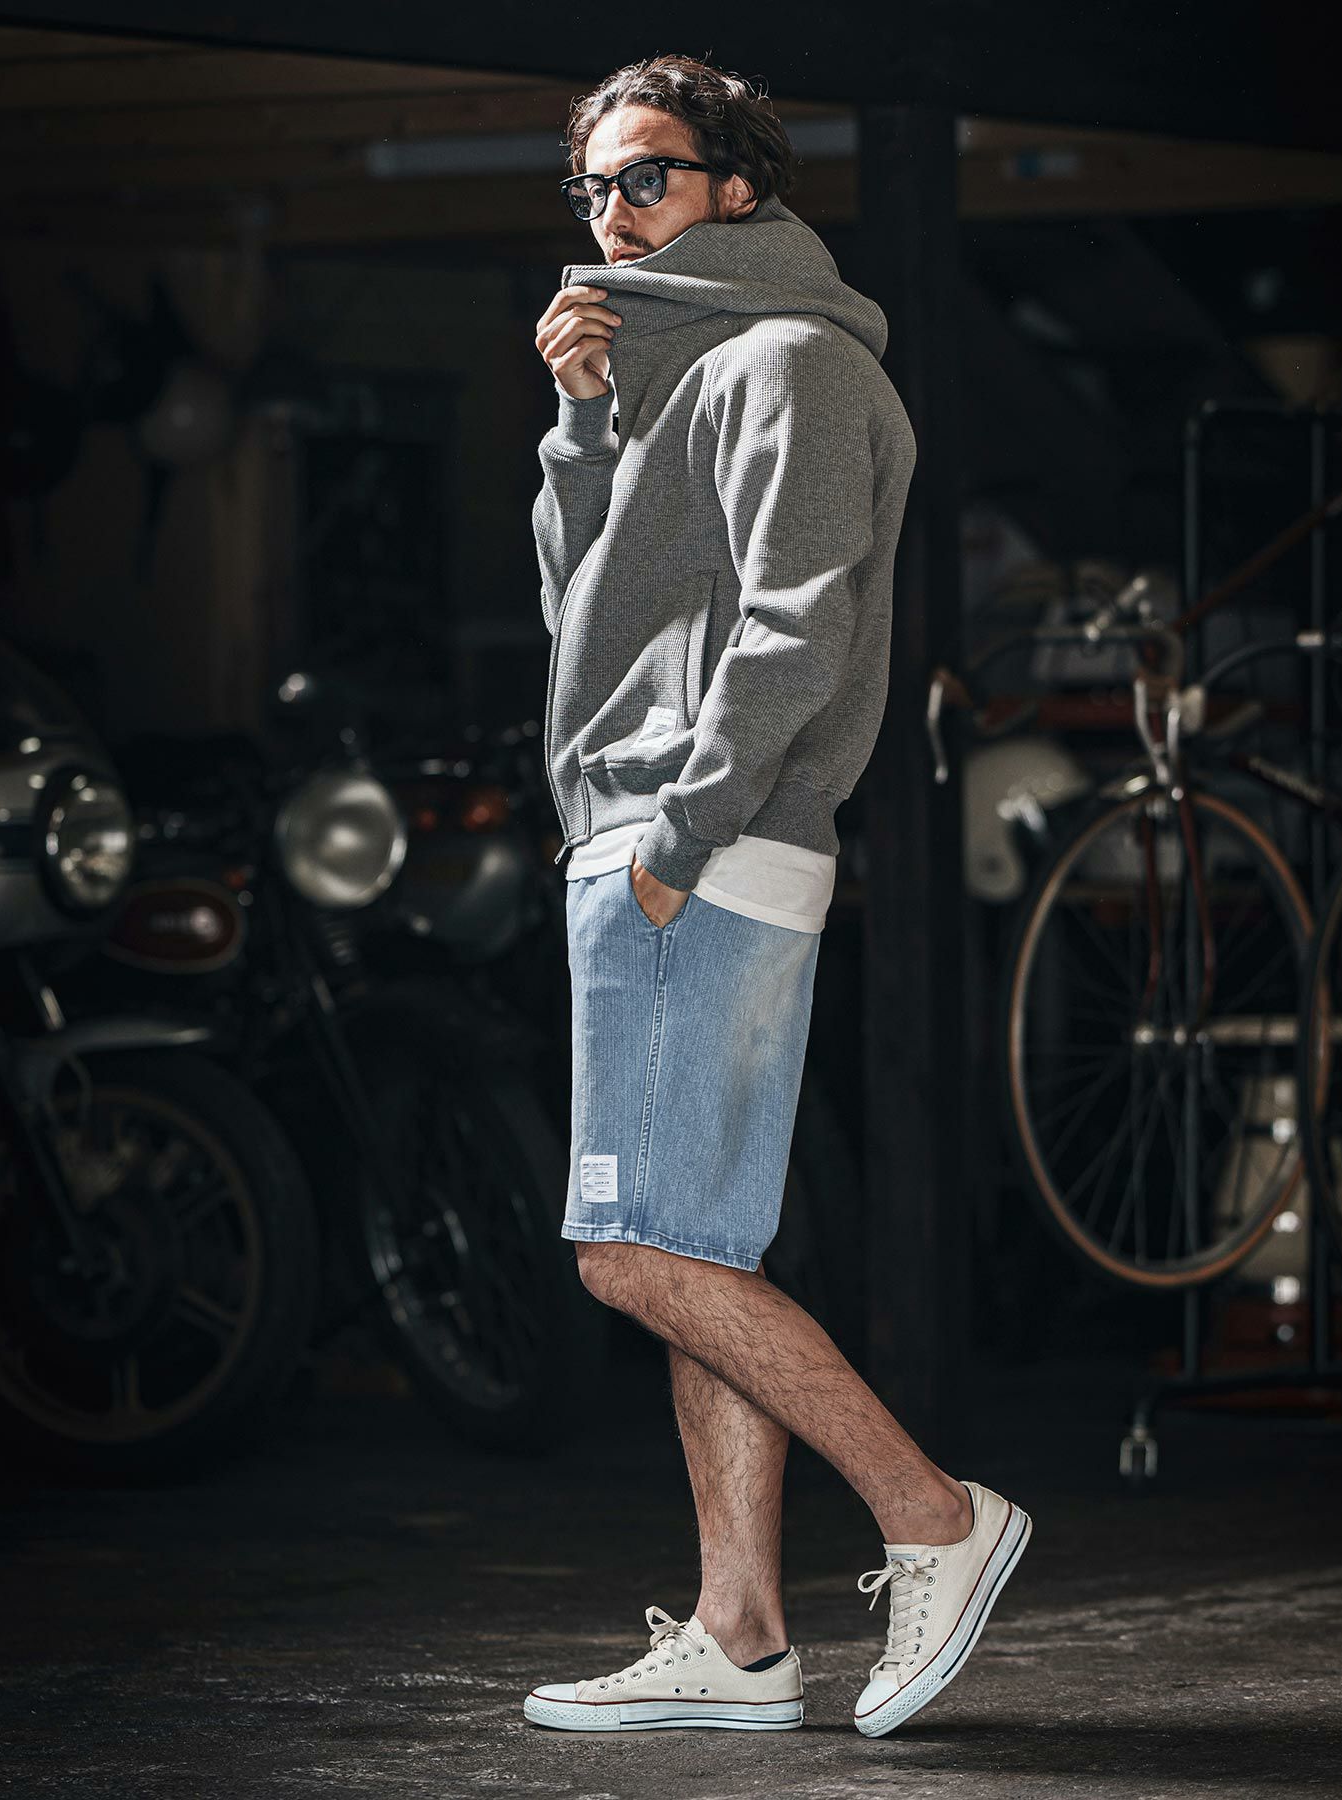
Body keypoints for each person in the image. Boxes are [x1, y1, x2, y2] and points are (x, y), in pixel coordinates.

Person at [524, 53, 1031, 1739]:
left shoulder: (787, 359)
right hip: (660, 834)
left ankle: (934, 1516)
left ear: (737, 187)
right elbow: (587, 619)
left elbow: (795, 626)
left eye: (647, 176)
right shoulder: (669, 375)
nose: (612, 212)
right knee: (694, 1247)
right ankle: (739, 1636)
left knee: (623, 1251)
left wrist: (676, 836)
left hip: (696, 848)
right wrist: (582, 427)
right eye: (593, 186)